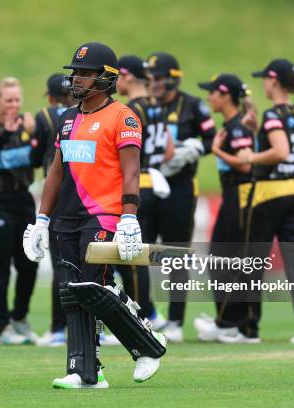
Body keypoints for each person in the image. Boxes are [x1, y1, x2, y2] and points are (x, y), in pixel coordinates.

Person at [22, 42, 167, 389]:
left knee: (92, 286)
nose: (77, 80)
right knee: (72, 292)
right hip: (66, 219)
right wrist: (42, 219)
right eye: (76, 73)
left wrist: (129, 217)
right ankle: (86, 371)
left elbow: (132, 171)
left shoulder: (124, 117)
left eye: (86, 74)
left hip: (104, 215)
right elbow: (56, 171)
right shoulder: (67, 118)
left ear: (106, 78)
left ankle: (147, 344)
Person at [228, 59, 294, 344]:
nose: (263, 83)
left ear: (273, 80)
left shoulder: (274, 114)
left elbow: (280, 150)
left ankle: (248, 329)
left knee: (252, 261)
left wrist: (251, 156)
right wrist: (255, 127)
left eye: (265, 79)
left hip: (269, 194)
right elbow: (282, 144)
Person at [145, 52, 217, 342]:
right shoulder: (143, 106)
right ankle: (142, 315)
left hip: (180, 187)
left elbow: (213, 138)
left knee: (176, 254)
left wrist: (194, 148)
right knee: (139, 252)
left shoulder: (192, 105)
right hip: (148, 184)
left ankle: (175, 321)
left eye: (158, 77)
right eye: (149, 77)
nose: (153, 83)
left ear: (173, 78)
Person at [190, 74, 257, 342]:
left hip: (240, 195)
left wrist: (217, 150)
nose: (209, 97)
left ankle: (232, 323)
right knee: (222, 259)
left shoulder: (236, 128)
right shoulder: (234, 124)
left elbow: (245, 165)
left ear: (226, 95)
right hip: (233, 195)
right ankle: (230, 321)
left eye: (213, 93)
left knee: (226, 259)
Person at [0, 77, 39, 345]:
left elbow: (37, 161)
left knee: (29, 262)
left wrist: (34, 136)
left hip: (23, 199)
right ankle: (2, 326)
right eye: (9, 100)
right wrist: (6, 132)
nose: (14, 105)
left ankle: (19, 317)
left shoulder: (26, 127)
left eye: (17, 100)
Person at [114, 55, 172, 330]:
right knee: (140, 253)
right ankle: (149, 313)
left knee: (134, 257)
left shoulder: (132, 108)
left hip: (140, 183)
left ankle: (141, 317)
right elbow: (169, 150)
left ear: (126, 76)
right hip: (158, 178)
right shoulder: (156, 105)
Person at [30, 74, 74, 347]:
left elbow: (35, 159)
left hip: (55, 198)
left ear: (49, 96)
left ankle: (58, 328)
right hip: (82, 195)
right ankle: (99, 327)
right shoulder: (80, 115)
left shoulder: (45, 116)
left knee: (61, 265)